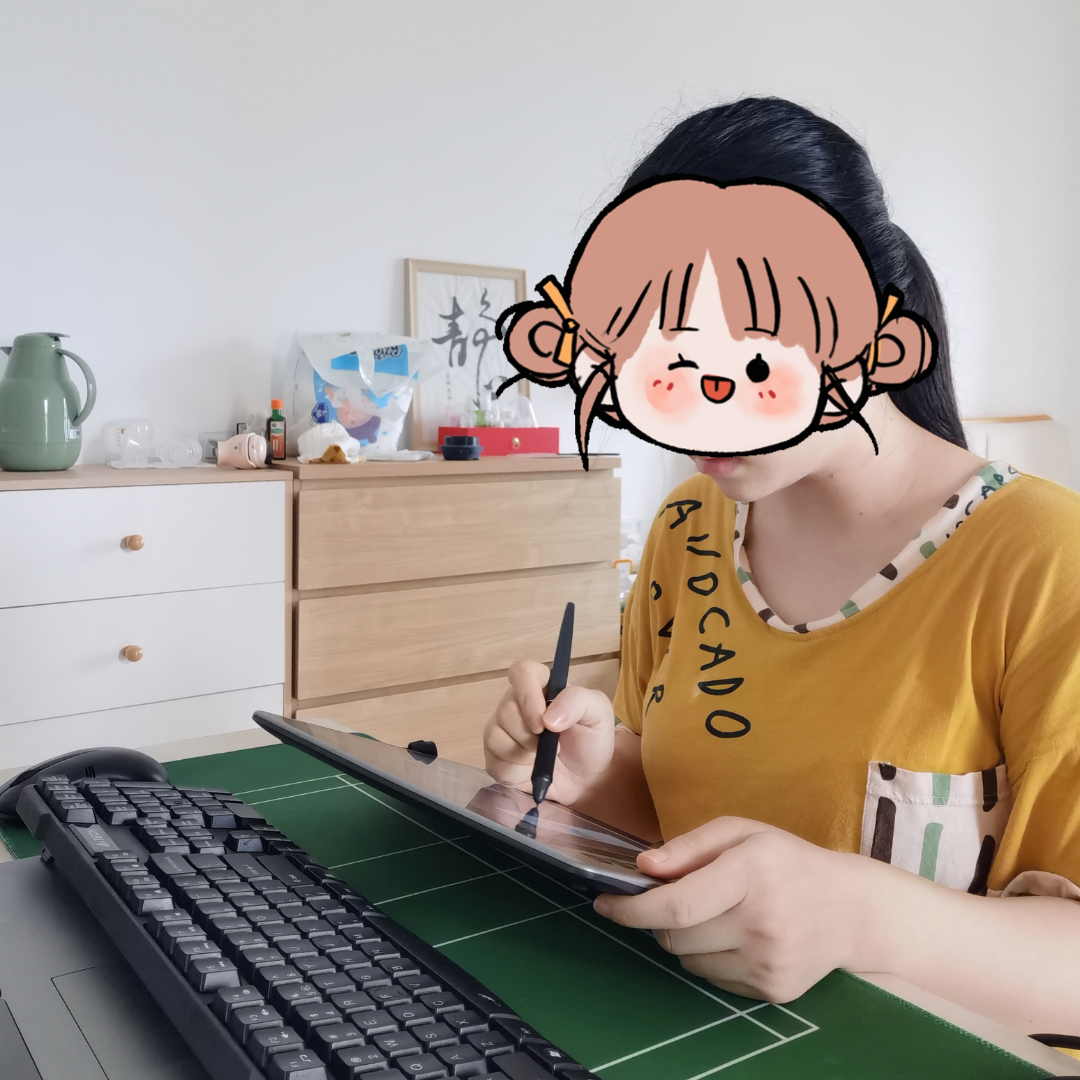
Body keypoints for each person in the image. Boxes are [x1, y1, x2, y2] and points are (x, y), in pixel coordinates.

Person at [485, 97, 1080, 1038]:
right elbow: (685, 821)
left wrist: (857, 919)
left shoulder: (1047, 560)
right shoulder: (689, 528)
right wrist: (593, 775)